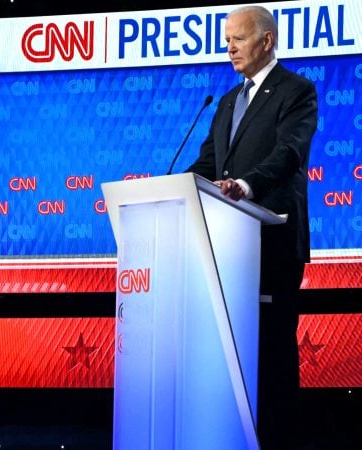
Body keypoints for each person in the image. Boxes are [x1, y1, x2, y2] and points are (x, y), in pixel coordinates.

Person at [184, 5, 317, 449]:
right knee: (233, 349)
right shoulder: (226, 101)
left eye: (238, 39)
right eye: (226, 41)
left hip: (273, 240)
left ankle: (279, 438)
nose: (229, 48)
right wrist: (176, 188)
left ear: (266, 40)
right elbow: (207, 163)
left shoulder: (297, 91)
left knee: (272, 347)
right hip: (227, 247)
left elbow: (290, 153)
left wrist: (244, 184)